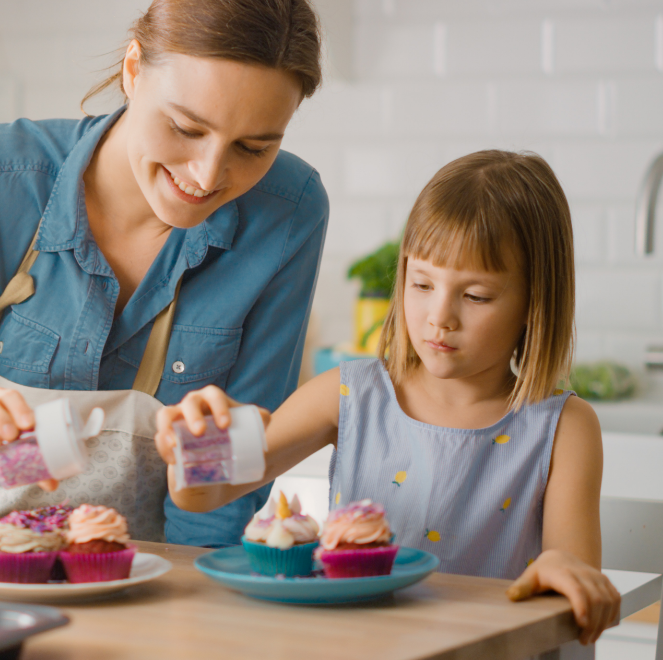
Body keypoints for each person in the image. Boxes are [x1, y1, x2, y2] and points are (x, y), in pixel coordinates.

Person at [0, 0, 329, 547]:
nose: (207, 175)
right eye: (185, 128)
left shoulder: (288, 212)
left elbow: (228, 487)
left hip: (150, 585)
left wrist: (183, 609)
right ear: (133, 71)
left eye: (254, 147)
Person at [155, 150, 621, 644]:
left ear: (534, 301)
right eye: (421, 284)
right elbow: (204, 492)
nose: (439, 316)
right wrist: (195, 442)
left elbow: (571, 566)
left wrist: (565, 571)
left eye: (477, 296)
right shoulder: (352, 395)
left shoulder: (563, 427)